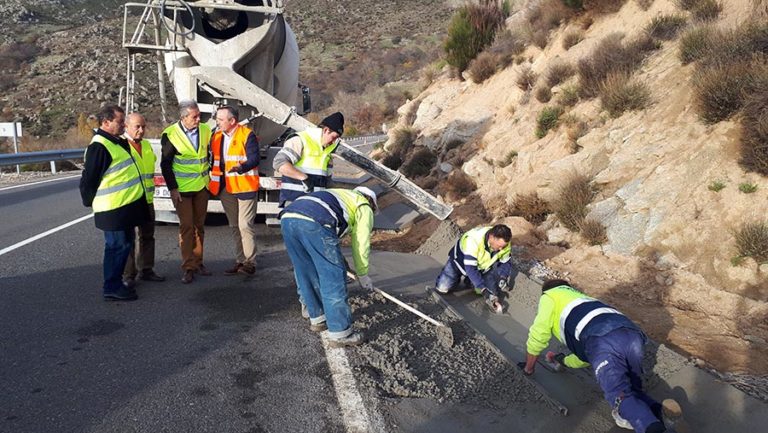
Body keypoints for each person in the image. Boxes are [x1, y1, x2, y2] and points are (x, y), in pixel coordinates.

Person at [520, 279, 684, 433]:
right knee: (632, 389)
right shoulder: (582, 299)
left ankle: (650, 427)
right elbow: (587, 357)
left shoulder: (549, 295)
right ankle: (660, 413)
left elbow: (539, 333)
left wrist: (528, 368)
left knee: (619, 395)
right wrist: (562, 359)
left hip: (601, 339)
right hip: (632, 334)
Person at [279, 186, 378, 347]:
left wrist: (344, 265)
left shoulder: (340, 196)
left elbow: (332, 244)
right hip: (315, 222)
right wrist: (362, 274)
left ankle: (317, 318)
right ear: (371, 202)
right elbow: (361, 243)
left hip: (288, 218)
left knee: (306, 272)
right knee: (333, 278)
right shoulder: (363, 206)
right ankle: (340, 333)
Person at [79, 104, 150, 301]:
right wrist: (90, 202)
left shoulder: (116, 142)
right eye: (119, 122)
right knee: (116, 247)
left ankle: (116, 283)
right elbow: (88, 181)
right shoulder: (99, 146)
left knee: (124, 245)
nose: (122, 126)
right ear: (106, 122)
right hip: (113, 209)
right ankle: (111, 286)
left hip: (124, 207)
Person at [160, 100, 213, 284]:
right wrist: (173, 189)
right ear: (183, 117)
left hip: (201, 186)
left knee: (200, 226)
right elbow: (165, 164)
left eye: (199, 116)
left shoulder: (206, 130)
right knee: (187, 227)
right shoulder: (171, 134)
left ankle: (199, 262)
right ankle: (188, 266)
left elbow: (210, 154)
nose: (199, 119)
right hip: (182, 189)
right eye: (194, 117)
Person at [208, 105, 260, 275]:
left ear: (232, 121)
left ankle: (250, 263)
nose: (218, 122)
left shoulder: (247, 135)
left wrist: (241, 167)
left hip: (244, 186)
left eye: (221, 119)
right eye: (217, 119)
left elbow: (254, 159)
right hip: (225, 187)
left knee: (245, 225)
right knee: (234, 226)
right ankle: (240, 261)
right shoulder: (215, 136)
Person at [122, 112, 165, 287]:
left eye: (143, 127)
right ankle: (128, 274)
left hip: (146, 200)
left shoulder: (147, 146)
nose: (141, 130)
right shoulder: (122, 146)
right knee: (128, 238)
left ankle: (146, 269)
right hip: (129, 201)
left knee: (148, 236)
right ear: (126, 127)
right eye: (137, 127)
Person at [434, 224, 513, 313]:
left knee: (492, 294)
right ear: (491, 237)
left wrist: (503, 277)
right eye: (499, 246)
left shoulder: (505, 244)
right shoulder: (474, 240)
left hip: (481, 267)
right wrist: (483, 289)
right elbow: (470, 268)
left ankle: (470, 281)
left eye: (503, 246)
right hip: (459, 262)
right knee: (442, 288)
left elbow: (506, 262)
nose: (501, 248)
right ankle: (457, 278)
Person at [273, 111, 344, 207]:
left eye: (337, 139)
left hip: (316, 204)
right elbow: (279, 163)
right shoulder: (301, 140)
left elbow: (328, 182)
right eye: (334, 137)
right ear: (326, 130)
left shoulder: (327, 153)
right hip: (295, 201)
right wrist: (304, 178)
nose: (334, 142)